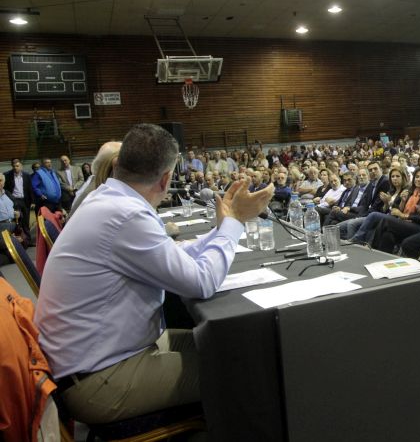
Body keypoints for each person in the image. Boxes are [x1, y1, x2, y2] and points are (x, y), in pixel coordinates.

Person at [34, 123, 274, 424]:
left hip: (93, 361)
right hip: (98, 381)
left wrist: (219, 230)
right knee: (244, 370)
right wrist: (235, 222)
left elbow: (168, 255)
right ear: (165, 179)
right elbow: (202, 282)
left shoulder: (107, 199)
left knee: (233, 345)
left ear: (119, 165)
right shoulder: (126, 215)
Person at [3, 160, 33, 236]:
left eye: (17, 166)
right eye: (14, 166)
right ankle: (19, 240)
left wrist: (32, 201)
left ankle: (28, 240)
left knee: (26, 221)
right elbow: (5, 189)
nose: (15, 168)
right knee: (17, 221)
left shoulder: (27, 175)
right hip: (14, 201)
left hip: (25, 201)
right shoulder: (7, 175)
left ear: (21, 166)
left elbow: (30, 188)